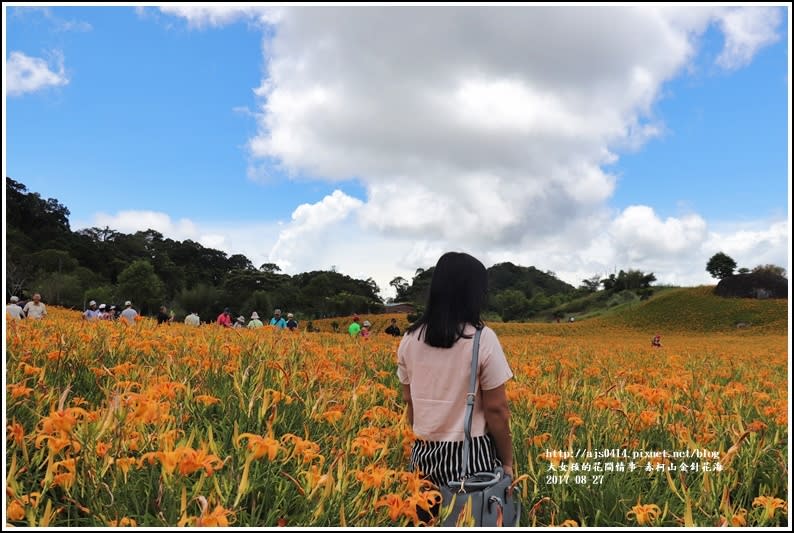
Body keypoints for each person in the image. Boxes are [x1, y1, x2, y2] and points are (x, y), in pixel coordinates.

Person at [397, 252, 514, 512]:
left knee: (424, 519)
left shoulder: (408, 339)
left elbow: (409, 401)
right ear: (473, 293)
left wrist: (426, 435)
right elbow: (497, 410)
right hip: (472, 458)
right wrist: (507, 462)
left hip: (423, 454)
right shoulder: (483, 339)